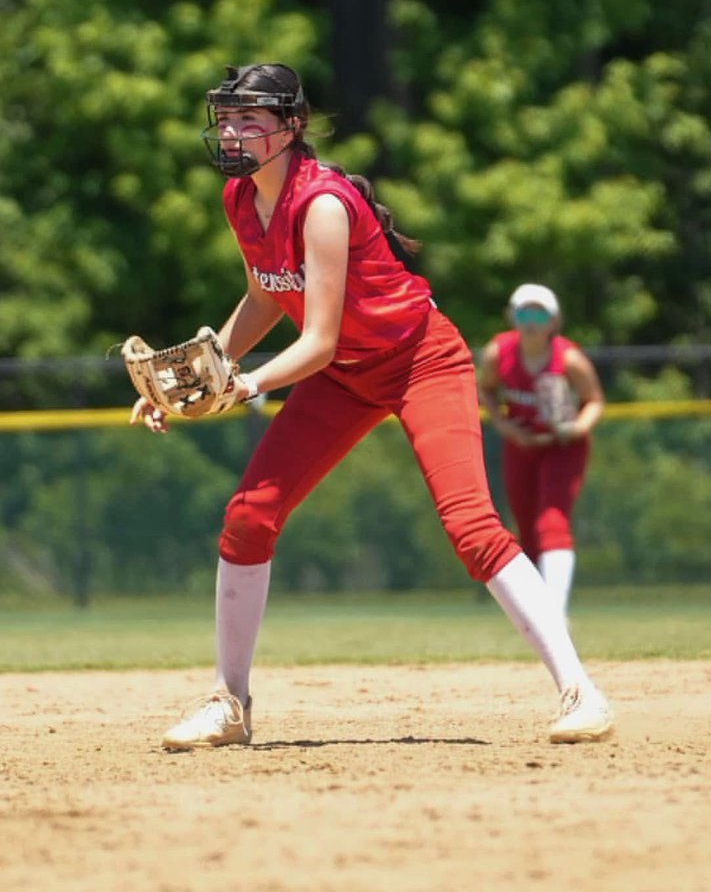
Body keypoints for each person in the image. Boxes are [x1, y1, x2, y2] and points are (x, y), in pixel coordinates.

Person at [129, 62, 613, 749]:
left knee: (471, 527)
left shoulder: (320, 203)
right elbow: (268, 296)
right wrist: (191, 380)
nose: (232, 131)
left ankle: (580, 692)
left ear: (291, 127)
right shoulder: (242, 197)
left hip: (419, 360)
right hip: (346, 376)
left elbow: (319, 341)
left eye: (251, 119)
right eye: (227, 117)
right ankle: (229, 704)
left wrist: (242, 386)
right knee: (248, 517)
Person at [477, 283, 605, 624]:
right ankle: (535, 615)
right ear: (512, 318)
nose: (530, 321)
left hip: (562, 447)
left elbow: (594, 401)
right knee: (525, 531)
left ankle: (554, 616)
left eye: (539, 314)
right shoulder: (498, 353)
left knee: (552, 520)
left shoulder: (568, 358)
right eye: (523, 313)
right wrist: (506, 428)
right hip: (521, 445)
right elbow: (486, 390)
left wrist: (576, 427)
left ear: (554, 321)